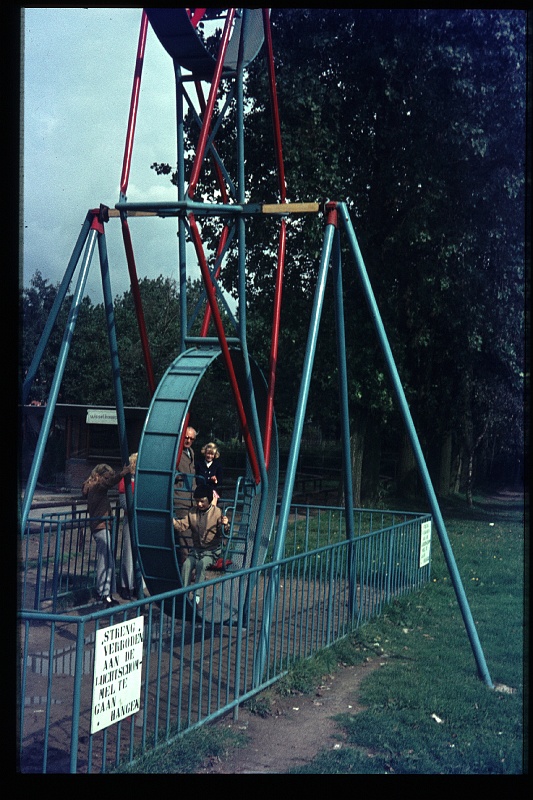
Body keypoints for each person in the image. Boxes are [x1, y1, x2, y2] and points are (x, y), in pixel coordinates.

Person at [82, 462, 131, 608]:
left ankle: (106, 593)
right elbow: (108, 484)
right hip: (101, 525)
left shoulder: (91, 487)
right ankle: (104, 594)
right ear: (98, 475)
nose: (107, 479)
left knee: (107, 559)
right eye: (105, 476)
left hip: (101, 525)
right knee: (106, 560)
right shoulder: (96, 486)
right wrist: (122, 474)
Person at [173, 485, 229, 594]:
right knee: (186, 565)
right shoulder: (192, 512)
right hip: (197, 550)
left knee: (201, 564)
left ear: (209, 500)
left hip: (211, 551)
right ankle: (184, 592)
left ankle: (197, 594)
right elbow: (182, 525)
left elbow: (223, 531)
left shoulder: (217, 512)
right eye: (197, 501)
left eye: (202, 501)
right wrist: (173, 522)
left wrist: (225, 525)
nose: (199, 504)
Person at [174, 426, 197, 564]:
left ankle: (190, 566)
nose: (188, 440)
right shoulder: (177, 452)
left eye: (191, 439)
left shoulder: (191, 452)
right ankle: (187, 569)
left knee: (193, 535)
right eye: (186, 437)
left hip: (191, 500)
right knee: (184, 537)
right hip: (180, 499)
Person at [118, 452, 138, 600]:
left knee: (140, 553)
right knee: (128, 553)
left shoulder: (142, 481)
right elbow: (124, 504)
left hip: (140, 521)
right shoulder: (125, 482)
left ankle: (137, 585)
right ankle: (125, 585)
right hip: (129, 519)